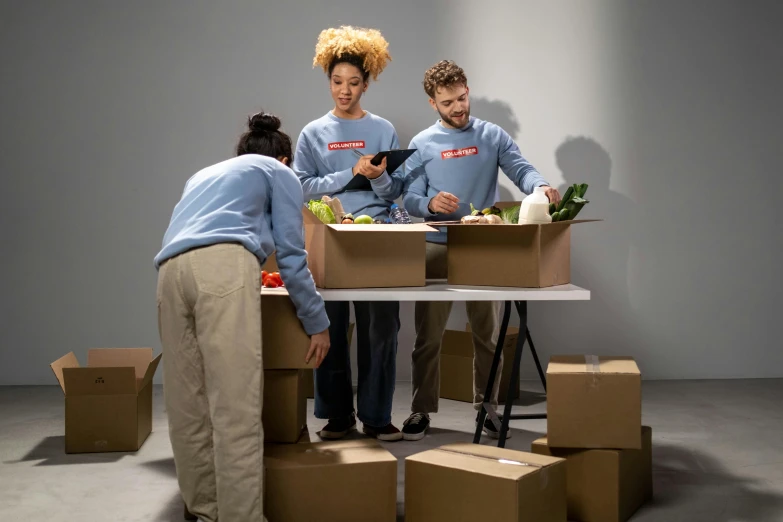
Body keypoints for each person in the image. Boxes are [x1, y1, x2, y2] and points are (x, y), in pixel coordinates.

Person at [154, 112, 330, 522]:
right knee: (236, 405)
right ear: (285, 158)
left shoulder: (202, 176)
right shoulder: (280, 172)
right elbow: (290, 254)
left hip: (169, 272)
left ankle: (204, 509)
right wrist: (317, 321)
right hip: (223, 268)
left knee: (187, 404)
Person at [400, 60, 561, 441]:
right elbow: (408, 197)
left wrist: (541, 187)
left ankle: (486, 410)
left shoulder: (492, 135)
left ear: (467, 90)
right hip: (436, 245)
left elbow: (521, 169)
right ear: (432, 103)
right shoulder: (421, 144)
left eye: (461, 98)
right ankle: (421, 410)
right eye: (447, 103)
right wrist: (429, 204)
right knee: (428, 336)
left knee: (487, 335)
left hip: (482, 247)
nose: (457, 108)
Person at [293, 26, 405, 442]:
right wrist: (350, 172)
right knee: (332, 327)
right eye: (338, 82)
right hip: (330, 237)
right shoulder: (313, 133)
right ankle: (337, 415)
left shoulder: (383, 129)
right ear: (328, 82)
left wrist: (376, 179)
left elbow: (396, 191)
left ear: (366, 83)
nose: (345, 90)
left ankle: (376, 415)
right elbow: (301, 185)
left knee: (382, 329)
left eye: (354, 83)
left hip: (377, 236)